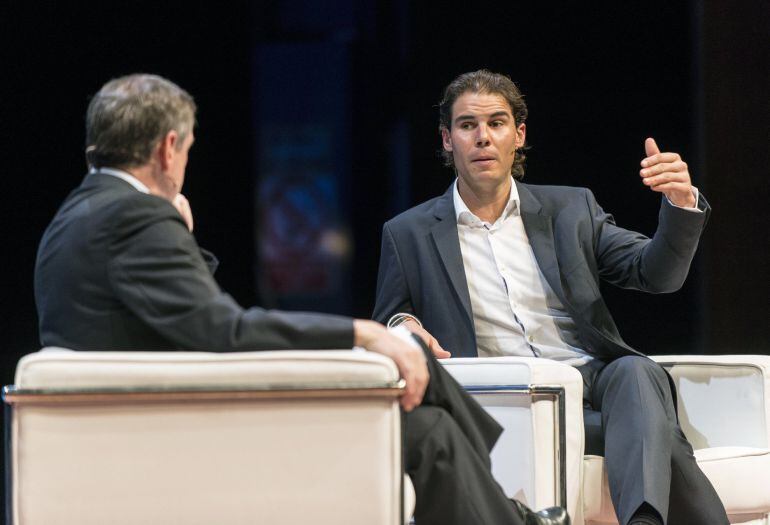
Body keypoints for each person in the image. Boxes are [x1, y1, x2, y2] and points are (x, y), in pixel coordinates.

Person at [34, 73, 568, 525]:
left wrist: (182, 232)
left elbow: (182, 317)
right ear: (168, 147)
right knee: (421, 411)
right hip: (175, 427)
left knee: (428, 429)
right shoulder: (133, 216)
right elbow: (228, 332)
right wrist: (364, 333)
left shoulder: (78, 215)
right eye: (189, 150)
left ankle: (515, 517)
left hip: (139, 418)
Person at [373, 69, 728, 525]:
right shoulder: (408, 233)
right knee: (657, 434)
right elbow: (391, 318)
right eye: (467, 126)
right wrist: (406, 330)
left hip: (594, 385)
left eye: (497, 123)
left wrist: (680, 204)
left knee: (636, 371)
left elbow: (653, 273)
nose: (483, 137)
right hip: (505, 396)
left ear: (519, 135)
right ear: (447, 140)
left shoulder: (570, 209)